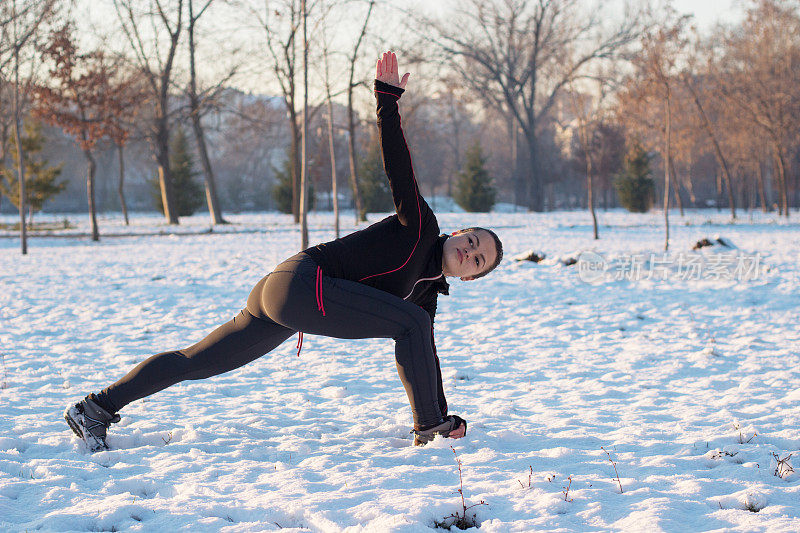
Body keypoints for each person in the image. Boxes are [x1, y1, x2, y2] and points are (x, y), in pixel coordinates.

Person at [64, 51, 503, 451]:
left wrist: (445, 408)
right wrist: (387, 101)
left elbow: (426, 353)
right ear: (459, 232)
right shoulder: (422, 225)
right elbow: (398, 167)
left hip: (282, 295)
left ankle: (95, 409)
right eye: (472, 240)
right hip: (301, 284)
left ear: (469, 277)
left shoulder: (424, 295)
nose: (470, 252)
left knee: (194, 362)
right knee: (409, 325)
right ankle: (428, 428)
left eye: (478, 260)